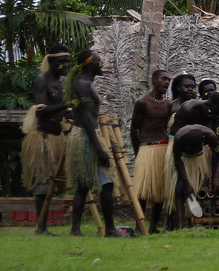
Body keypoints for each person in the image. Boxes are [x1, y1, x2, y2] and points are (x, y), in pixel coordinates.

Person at [64, 50, 118, 236]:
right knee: (106, 183)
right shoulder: (84, 84)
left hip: (86, 135)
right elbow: (87, 117)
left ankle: (75, 229)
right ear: (88, 64)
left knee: (84, 185)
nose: (101, 62)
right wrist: (98, 147)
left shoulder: (86, 84)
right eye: (98, 59)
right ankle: (109, 229)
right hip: (87, 138)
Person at [21, 44, 70, 225]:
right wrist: (66, 105)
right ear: (50, 61)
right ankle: (41, 226)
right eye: (61, 61)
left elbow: (66, 109)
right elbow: (39, 111)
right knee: (43, 183)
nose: (65, 65)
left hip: (59, 138)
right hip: (43, 139)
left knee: (56, 182)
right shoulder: (42, 80)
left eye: (67, 61)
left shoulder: (64, 82)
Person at [130, 69, 173, 234]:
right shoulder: (142, 103)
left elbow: (167, 126)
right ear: (154, 80)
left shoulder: (168, 104)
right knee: (142, 191)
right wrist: (137, 152)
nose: (167, 82)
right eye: (163, 79)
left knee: (159, 190)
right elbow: (134, 130)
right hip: (146, 148)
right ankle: (139, 226)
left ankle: (154, 226)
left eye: (169, 80)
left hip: (163, 147)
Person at [167, 124, 219, 230]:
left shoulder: (210, 136)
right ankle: (180, 228)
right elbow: (177, 160)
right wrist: (187, 183)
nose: (193, 150)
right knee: (179, 189)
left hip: (199, 161)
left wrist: (216, 177)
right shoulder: (179, 137)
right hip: (183, 160)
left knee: (199, 191)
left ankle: (194, 224)